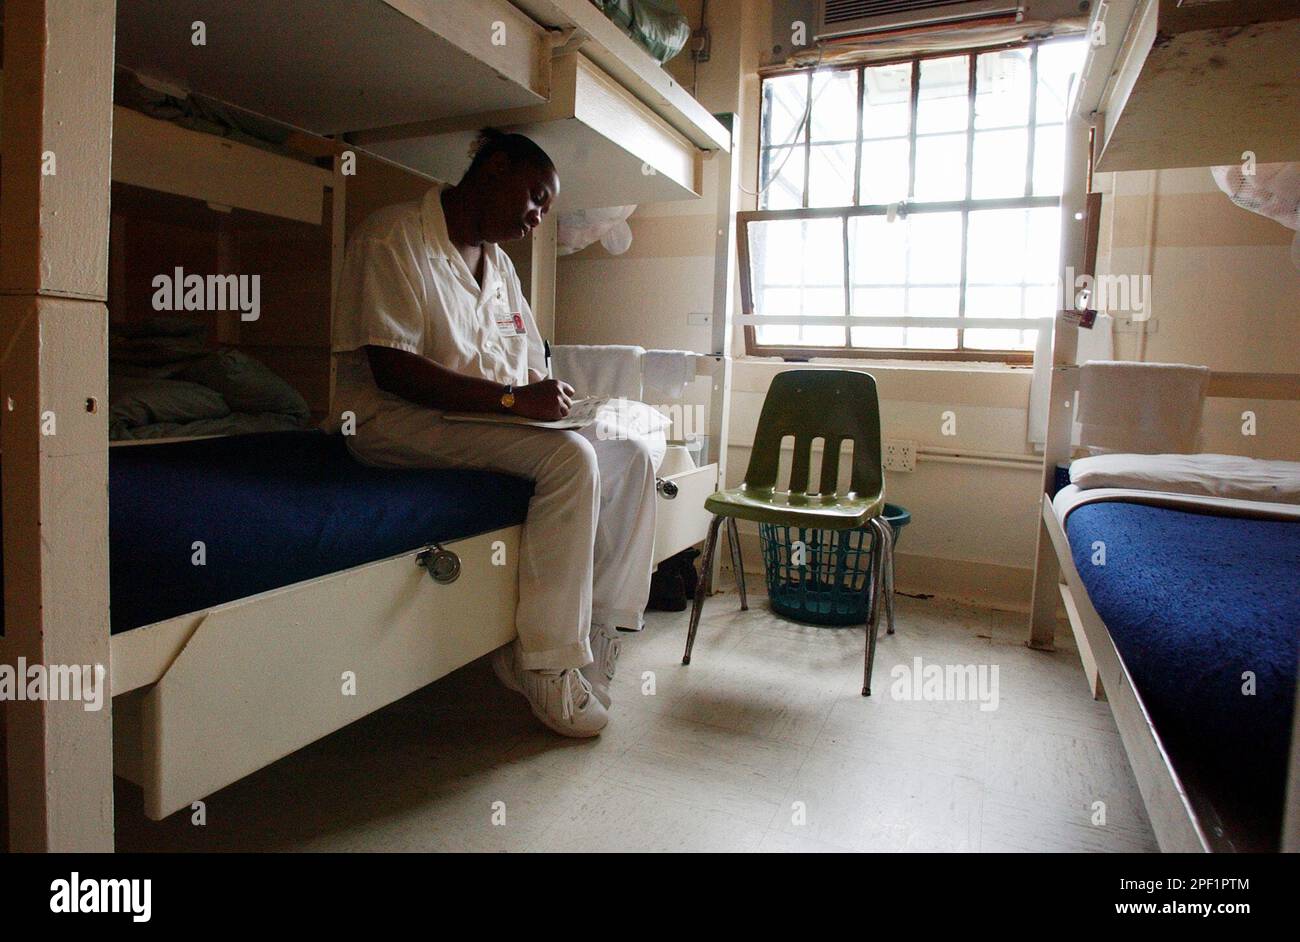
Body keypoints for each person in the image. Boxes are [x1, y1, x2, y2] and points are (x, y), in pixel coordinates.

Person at [330, 128, 657, 737]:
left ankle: (598, 631)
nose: (537, 217)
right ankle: (546, 664)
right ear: (494, 167)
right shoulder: (394, 235)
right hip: (397, 421)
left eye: (546, 208)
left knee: (632, 453)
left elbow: (530, 364)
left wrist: (555, 401)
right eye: (535, 196)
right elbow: (392, 370)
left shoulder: (502, 267)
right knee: (569, 462)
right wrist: (511, 400)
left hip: (484, 417)